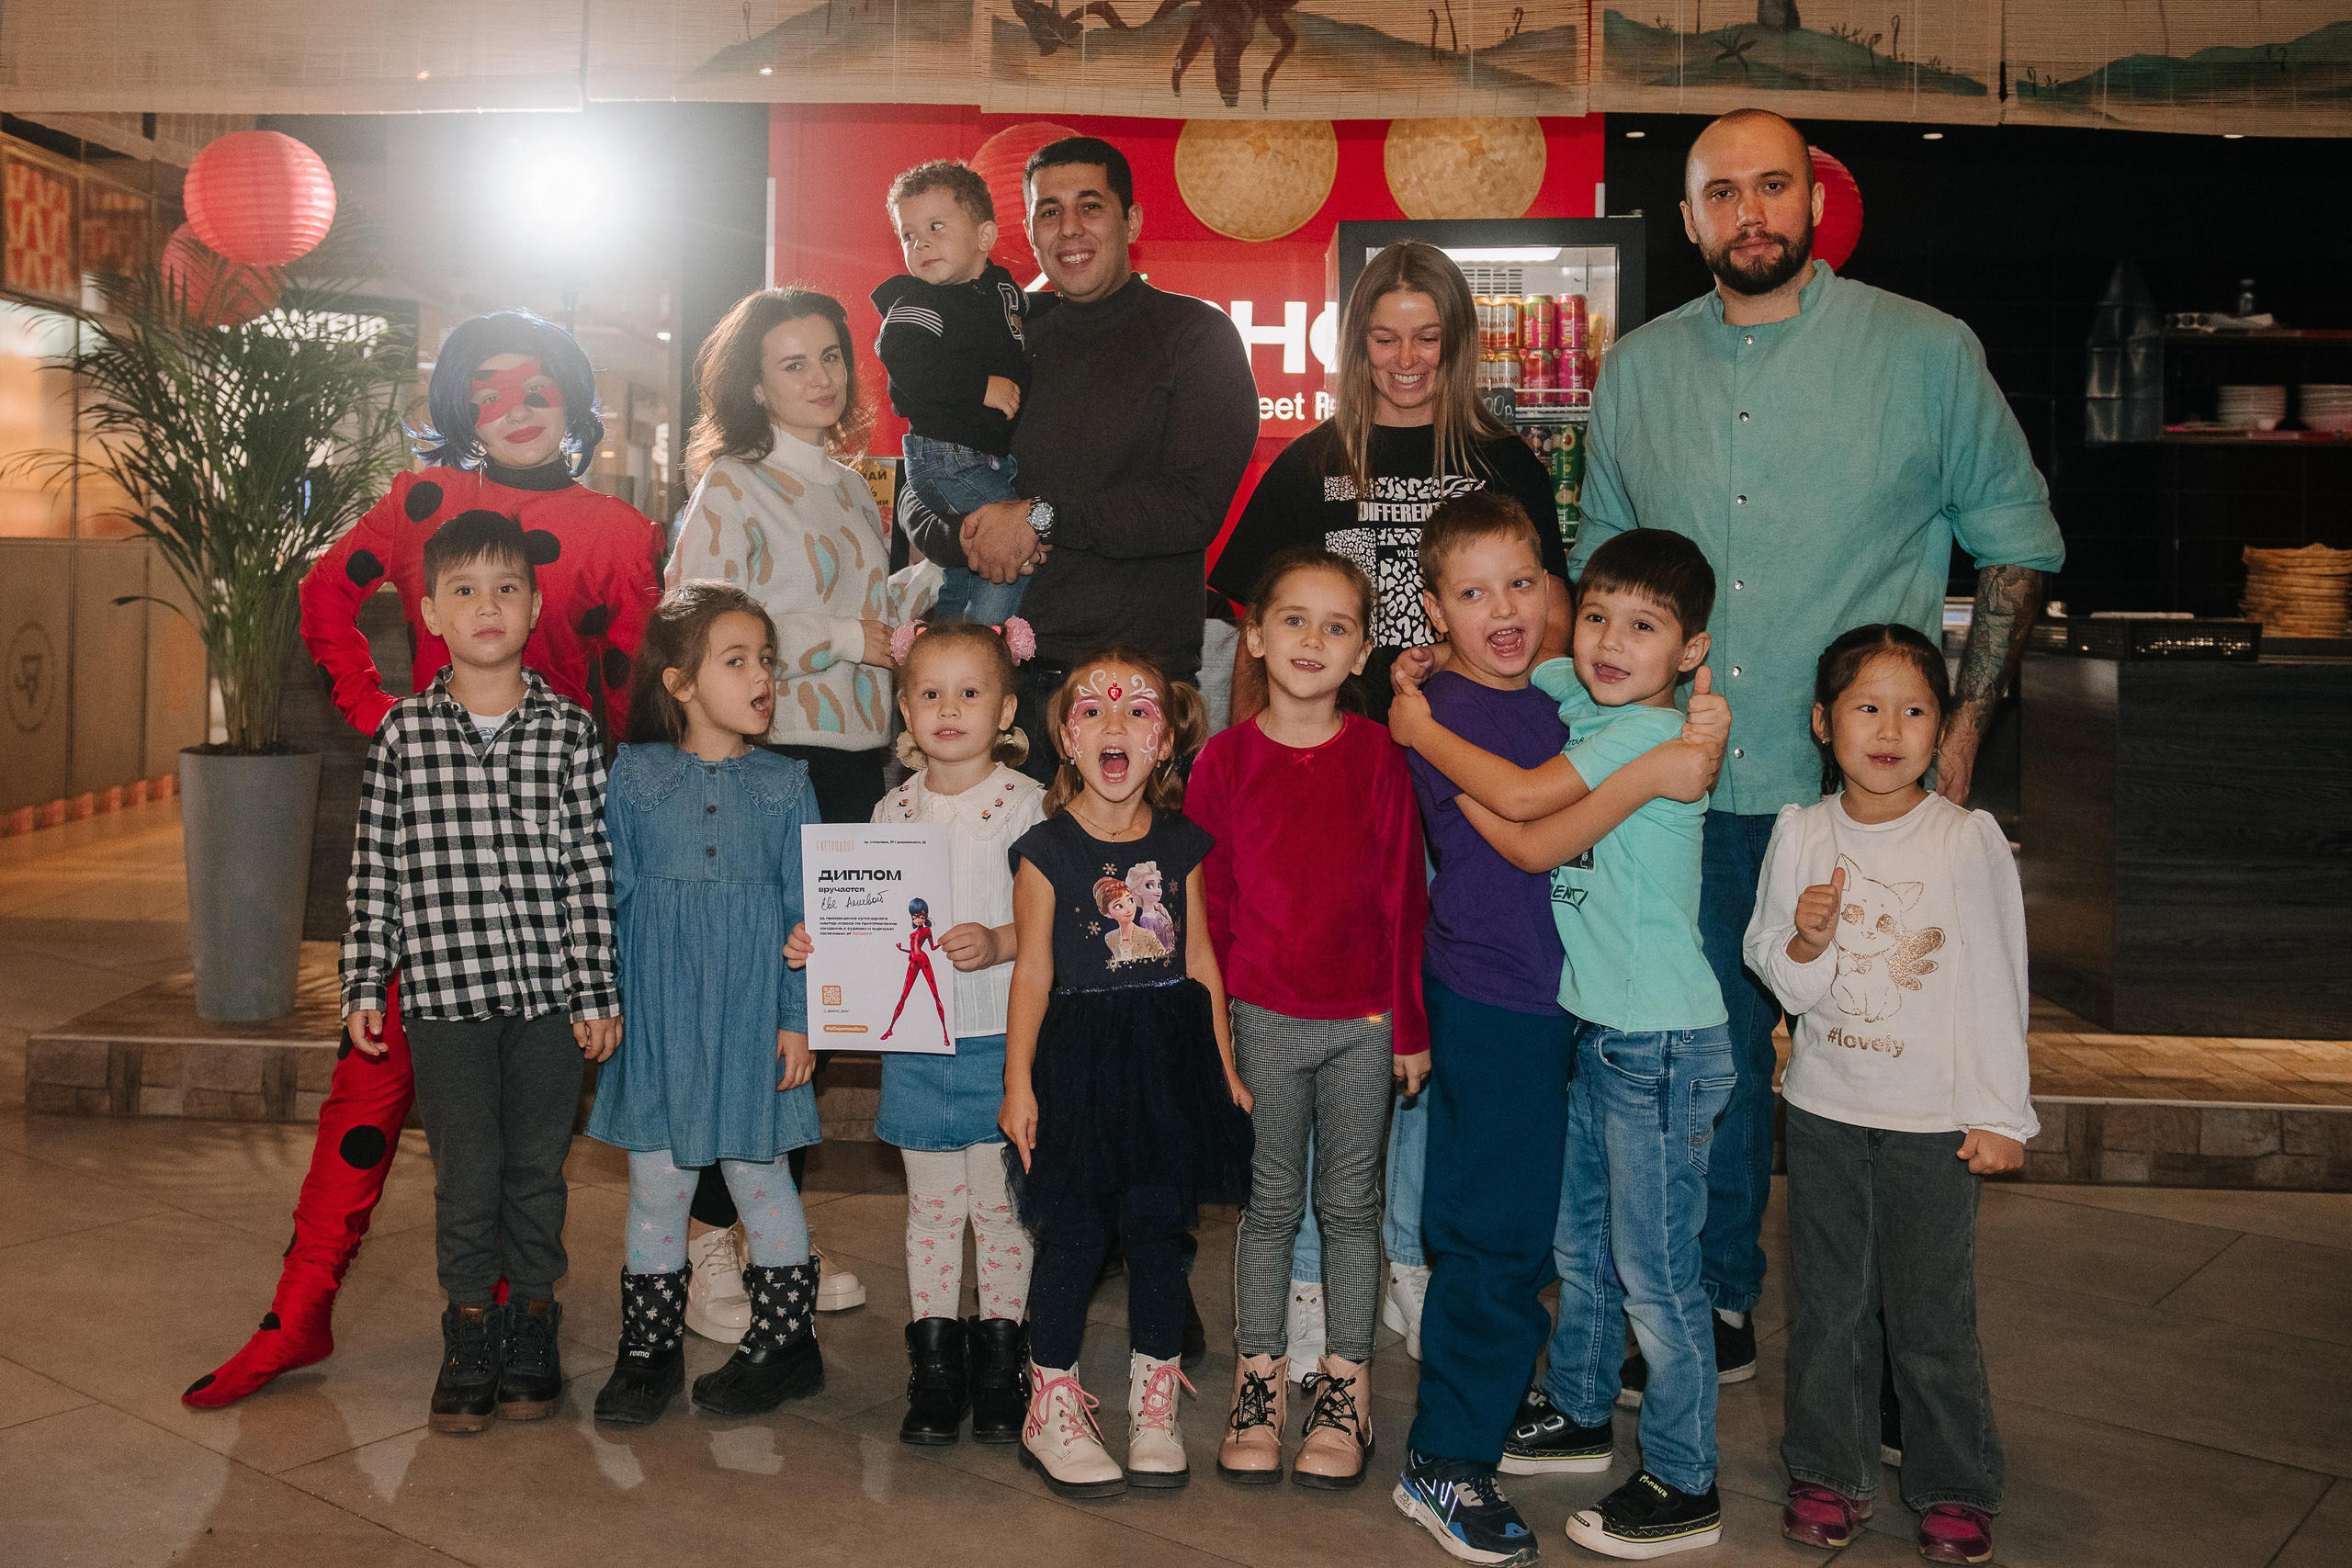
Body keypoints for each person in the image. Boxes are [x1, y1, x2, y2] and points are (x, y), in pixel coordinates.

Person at [1570, 107, 2064, 1399]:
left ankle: (1905, 1347)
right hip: (1683, 792)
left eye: (1771, 185)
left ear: (1814, 201)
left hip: (1866, 806)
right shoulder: (1637, 373)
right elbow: (1604, 578)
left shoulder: (1924, 352)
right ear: (1687, 220)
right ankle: (1715, 1294)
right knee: (1701, 1063)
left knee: (1885, 1075)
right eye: (1720, 193)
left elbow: (2019, 538)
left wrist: (1962, 728)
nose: (1750, 213)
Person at [187, 310, 664, 1412]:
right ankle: (302, 1311)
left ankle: (516, 1320)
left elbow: (638, 692)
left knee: (524, 1137)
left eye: (538, 384)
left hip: (554, 878)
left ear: (572, 395)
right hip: (438, 876)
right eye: (487, 388)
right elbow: (324, 596)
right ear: (458, 405)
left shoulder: (619, 530)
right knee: (375, 1096)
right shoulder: (420, 504)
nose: (516, 404)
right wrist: (376, 708)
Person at [1386, 521, 1732, 1563]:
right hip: (1498, 1000)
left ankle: (1516, 1420)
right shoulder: (1441, 712)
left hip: (1569, 1009)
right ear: (1434, 611)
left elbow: (1585, 662)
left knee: (1541, 1239)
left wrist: (1701, 711)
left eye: (1523, 584)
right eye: (1473, 593)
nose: (1506, 611)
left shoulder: (1566, 691)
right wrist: (1410, 695)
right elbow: (1527, 823)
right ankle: (1445, 1462)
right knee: (1490, 1240)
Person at [1745, 624, 2032, 1568]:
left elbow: (1996, 977)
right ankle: (1828, 1473)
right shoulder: (1801, 832)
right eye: (1866, 706)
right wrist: (1805, 938)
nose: (1888, 728)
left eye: (1913, 710)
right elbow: (1780, 981)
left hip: (1932, 1123)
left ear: (1941, 727)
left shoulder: (1963, 840)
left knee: (1930, 1313)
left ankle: (1953, 1485)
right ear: (1825, 723)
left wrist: (2000, 1112)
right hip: (1828, 1110)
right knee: (1827, 1305)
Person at [340, 512, 621, 1433]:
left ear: (535, 607)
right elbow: (375, 868)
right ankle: (468, 1329)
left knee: (536, 1168)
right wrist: (360, 981)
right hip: (445, 1001)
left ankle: (531, 1320)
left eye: (505, 588)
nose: (486, 605)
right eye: (463, 591)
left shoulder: (570, 735)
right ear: (429, 615)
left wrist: (595, 993)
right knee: (466, 1172)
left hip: (546, 1002)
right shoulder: (404, 737)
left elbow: (590, 871)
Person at [895, 135, 1260, 784]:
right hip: (996, 699)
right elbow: (922, 484)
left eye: (1090, 206)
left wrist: (1037, 518)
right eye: (1048, 211)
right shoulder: (1004, 332)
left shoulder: (1195, 336)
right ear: (1027, 229)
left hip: (1133, 695)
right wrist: (972, 536)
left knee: (1130, 890)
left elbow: (1191, 506)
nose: (1069, 229)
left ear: (1132, 221)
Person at [1186, 547, 1428, 1491]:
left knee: (1351, 1209)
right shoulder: (1224, 760)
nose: (1313, 640)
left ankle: (1346, 1386)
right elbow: (1209, 916)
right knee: (1270, 1206)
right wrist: (1216, 1034)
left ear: (1362, 651)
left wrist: (1408, 1025)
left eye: (1337, 626)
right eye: (1293, 619)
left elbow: (1404, 896)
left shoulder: (1377, 757)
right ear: (1254, 634)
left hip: (1363, 1023)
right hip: (1261, 1021)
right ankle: (1261, 1379)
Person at [786, 617, 1048, 1448]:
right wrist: (821, 938)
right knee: (934, 1210)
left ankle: (1002, 1361)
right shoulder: (888, 806)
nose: (948, 709)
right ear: (904, 706)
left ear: (1006, 708)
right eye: (929, 692)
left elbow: (1051, 925)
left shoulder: (1030, 806)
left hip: (1004, 1041)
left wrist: (1000, 940)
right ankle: (936, 1366)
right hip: (918, 1044)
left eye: (970, 692)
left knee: (1002, 1210)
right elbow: (867, 920)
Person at [1000, 649, 1252, 1497]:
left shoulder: (1183, 844)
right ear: (1066, 740)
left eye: (1137, 710)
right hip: (1078, 1059)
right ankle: (1052, 1402)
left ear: (1167, 739)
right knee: (1072, 1233)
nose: (1115, 724)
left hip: (1167, 1060)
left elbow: (1204, 960)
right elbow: (1031, 969)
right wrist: (1018, 1083)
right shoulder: (1044, 849)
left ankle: (1154, 1401)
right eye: (1094, 710)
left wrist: (1223, 1067)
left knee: (1157, 1237)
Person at [588, 582, 827, 1427]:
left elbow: (809, 913)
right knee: (658, 1187)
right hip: (657, 1018)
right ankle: (647, 1350)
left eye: (767, 659)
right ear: (679, 683)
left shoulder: (788, 782)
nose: (761, 675)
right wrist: (599, 998)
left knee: (762, 1179)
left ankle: (786, 1343)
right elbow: (604, 898)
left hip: (752, 1019)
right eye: (737, 660)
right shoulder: (633, 776)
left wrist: (797, 1015)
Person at [1211, 240, 1570, 727]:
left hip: (1475, 745)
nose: (1405, 360)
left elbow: (1551, 613)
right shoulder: (1305, 465)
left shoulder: (1507, 463)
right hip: (1333, 752)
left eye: (1427, 338)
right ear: (1359, 341)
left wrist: (1528, 721)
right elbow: (1257, 637)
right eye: (1385, 339)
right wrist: (1247, 758)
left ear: (1459, 341)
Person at [674, 286, 899, 826]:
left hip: (865, 754)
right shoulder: (732, 481)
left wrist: (948, 566)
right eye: (794, 365)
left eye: (830, 357)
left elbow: (871, 611)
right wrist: (844, 638)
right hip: (770, 750)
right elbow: (701, 633)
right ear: (754, 387)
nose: (822, 379)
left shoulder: (852, 487)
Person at [872, 159, 1033, 625]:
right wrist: (979, 387)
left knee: (966, 571)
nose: (920, 242)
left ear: (984, 236)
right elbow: (906, 361)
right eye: (908, 234)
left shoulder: (1002, 291)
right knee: (1009, 549)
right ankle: (985, 643)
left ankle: (944, 637)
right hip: (945, 457)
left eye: (936, 226)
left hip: (984, 455)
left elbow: (1029, 314)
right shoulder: (917, 301)